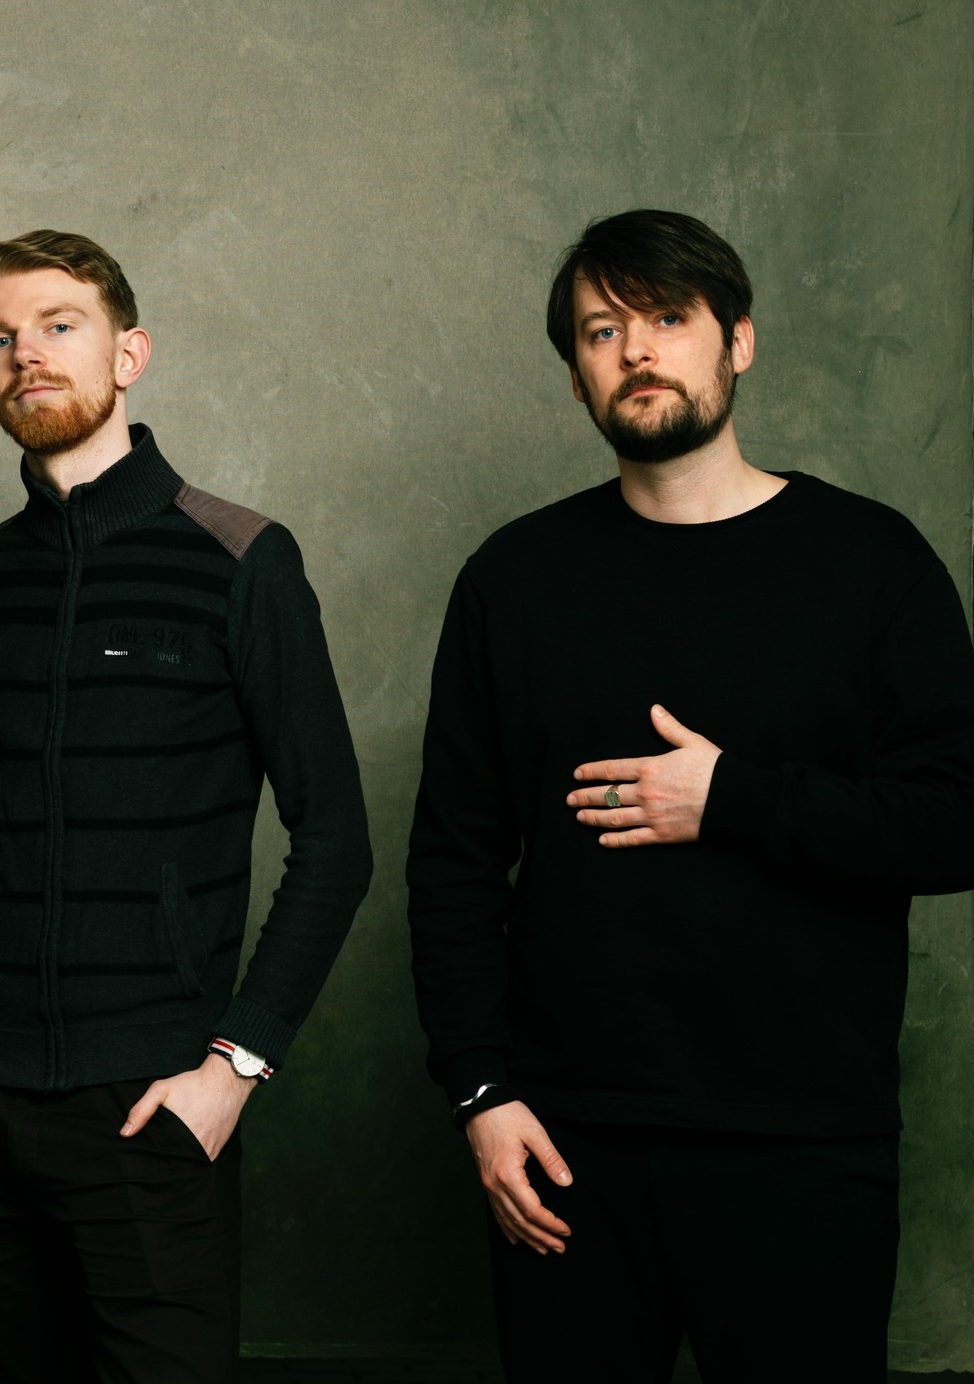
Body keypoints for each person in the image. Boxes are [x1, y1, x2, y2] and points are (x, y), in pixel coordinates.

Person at [407, 208, 974, 1382]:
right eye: (599, 330)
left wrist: (731, 799)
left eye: (667, 317)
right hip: (562, 1145)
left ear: (737, 341)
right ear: (574, 374)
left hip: (801, 1144)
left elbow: (954, 820)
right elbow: (452, 859)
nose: (635, 350)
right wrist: (479, 1090)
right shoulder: (513, 579)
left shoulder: (871, 564)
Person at [0, 230, 372, 1384]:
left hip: (150, 1098)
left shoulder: (240, 559)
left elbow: (334, 839)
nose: (24, 354)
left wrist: (233, 1067)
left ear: (128, 353)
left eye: (57, 325)